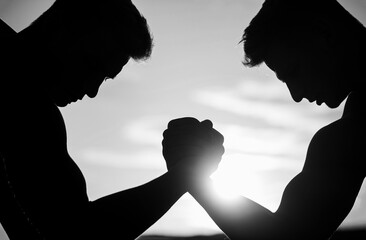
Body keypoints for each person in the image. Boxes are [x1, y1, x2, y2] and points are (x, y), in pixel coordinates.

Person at [0, 0, 225, 239]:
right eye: (91, 64)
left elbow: (43, 226)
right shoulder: (28, 107)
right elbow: (78, 231)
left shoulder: (26, 107)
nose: (92, 90)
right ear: (60, 26)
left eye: (105, 78)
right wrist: (185, 175)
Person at [162, 0, 366, 239]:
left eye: (293, 72)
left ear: (324, 34)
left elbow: (287, 237)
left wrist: (192, 178)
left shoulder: (349, 135)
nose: (296, 94)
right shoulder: (351, 128)